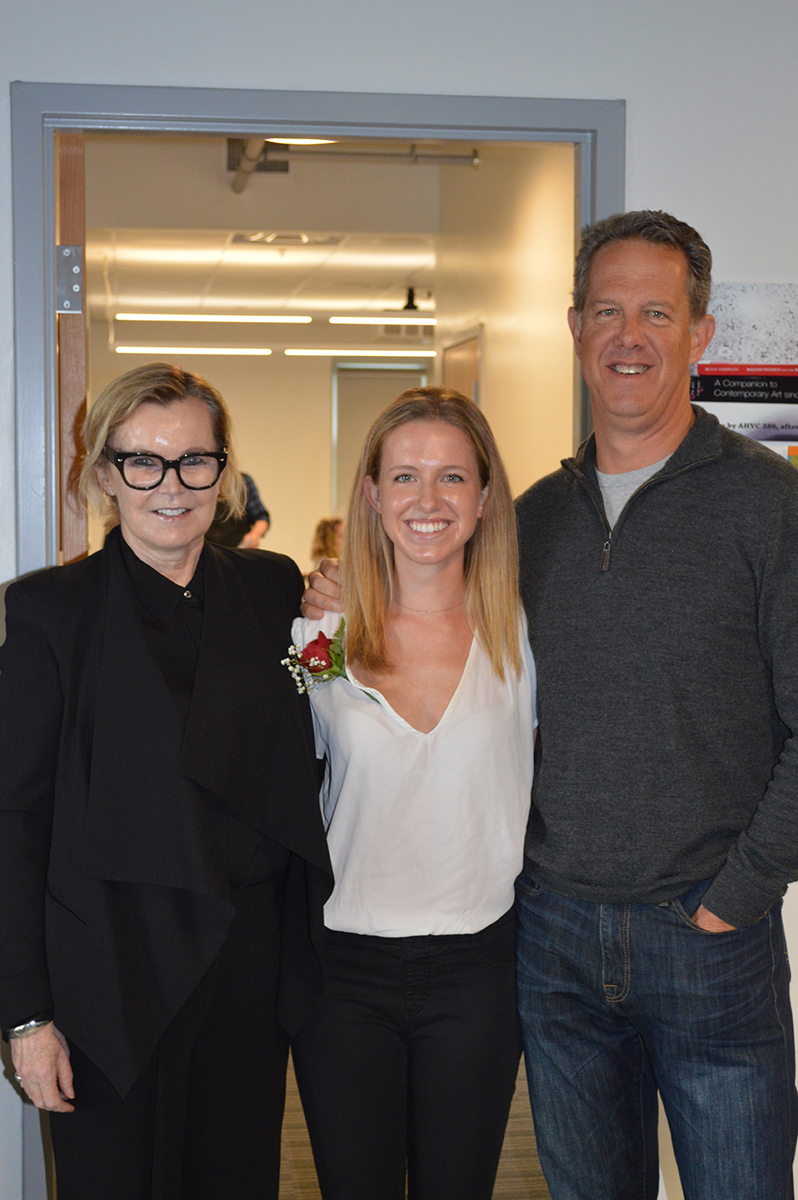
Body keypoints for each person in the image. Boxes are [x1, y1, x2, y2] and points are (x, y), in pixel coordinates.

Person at [303, 212, 798, 1200]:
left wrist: (735, 898)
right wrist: (336, 606)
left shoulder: (766, 504)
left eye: (657, 311)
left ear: (699, 333)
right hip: (557, 942)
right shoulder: (532, 523)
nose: (630, 336)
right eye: (607, 311)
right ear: (575, 329)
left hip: (709, 938)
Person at [0, 363, 332, 1200]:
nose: (171, 486)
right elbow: (13, 822)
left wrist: (345, 619)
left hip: (247, 970)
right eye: (143, 461)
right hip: (107, 973)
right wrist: (26, 1018)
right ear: (104, 472)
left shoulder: (271, 588)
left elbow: (314, 724)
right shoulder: (47, 613)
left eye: (195, 461)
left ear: (225, 473)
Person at [289, 386, 536, 1200]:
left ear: (485, 494)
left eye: (452, 478)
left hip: (478, 972)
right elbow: (286, 771)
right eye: (404, 477)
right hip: (344, 974)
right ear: (370, 492)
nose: (427, 501)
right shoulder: (319, 637)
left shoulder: (522, 635)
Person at [205, 471, 270, 547]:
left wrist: (254, 535)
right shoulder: (201, 482)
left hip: (239, 551)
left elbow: (261, 517)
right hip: (208, 551)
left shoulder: (243, 481)